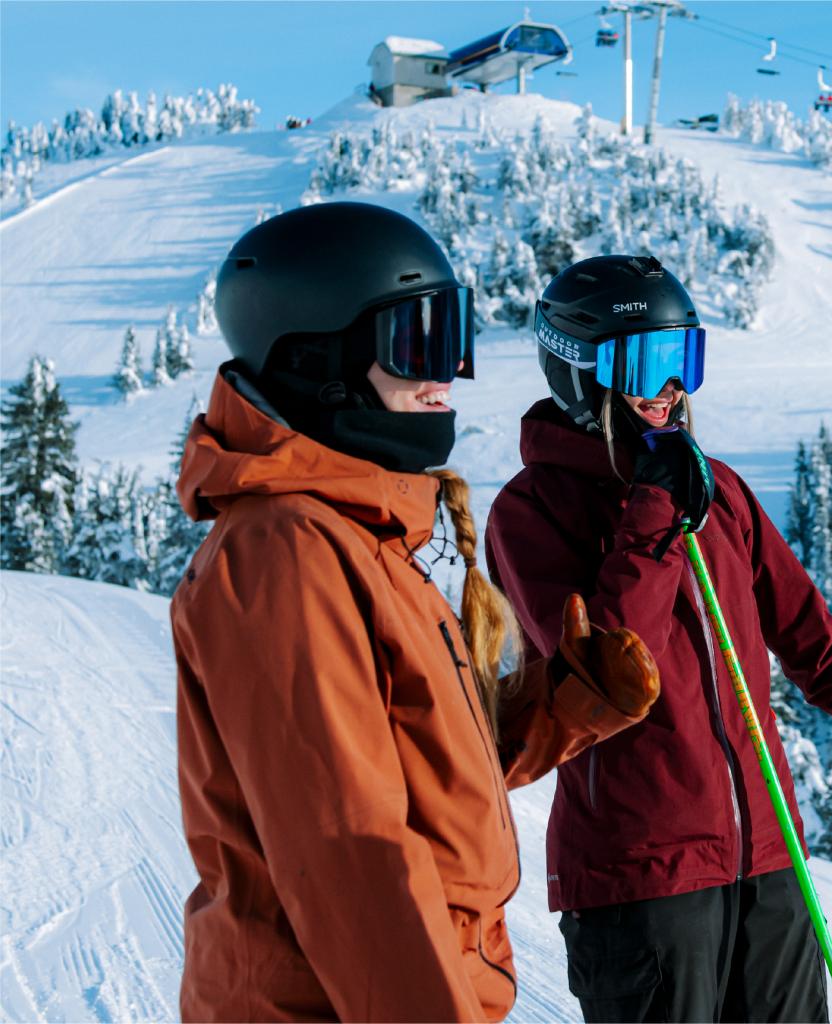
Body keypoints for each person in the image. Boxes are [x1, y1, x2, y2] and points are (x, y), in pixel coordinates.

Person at [172, 202, 661, 1021]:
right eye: (418, 342)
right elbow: (351, 859)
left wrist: (566, 701)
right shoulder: (284, 553)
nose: (449, 375)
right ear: (317, 357)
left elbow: (425, 771)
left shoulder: (355, 537)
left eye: (454, 337)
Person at [485, 254, 832, 1023]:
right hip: (640, 878)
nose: (672, 389)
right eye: (649, 363)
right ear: (582, 374)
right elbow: (609, 670)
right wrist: (650, 517)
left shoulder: (722, 495)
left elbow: (818, 645)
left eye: (686, 360)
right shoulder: (532, 513)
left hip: (767, 862)